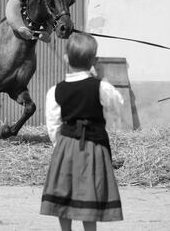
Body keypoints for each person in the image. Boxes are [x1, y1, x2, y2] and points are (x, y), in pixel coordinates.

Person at [40, 33, 124, 231]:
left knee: (64, 191)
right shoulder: (101, 87)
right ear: (94, 61)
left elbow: (53, 124)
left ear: (66, 59)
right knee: (90, 192)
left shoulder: (55, 91)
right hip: (94, 147)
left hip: (66, 147)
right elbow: (117, 104)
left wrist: (58, 145)